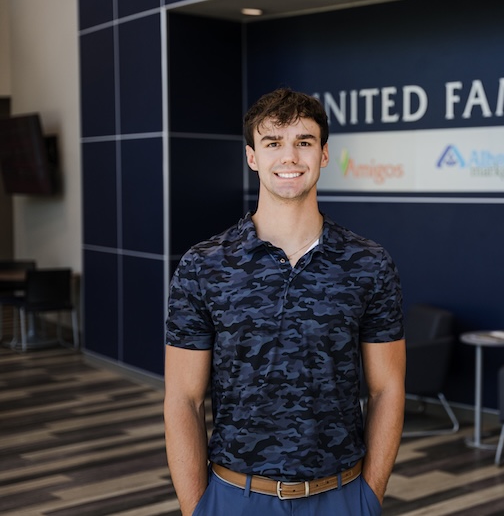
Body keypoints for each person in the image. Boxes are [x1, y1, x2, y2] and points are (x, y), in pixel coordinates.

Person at [163, 87, 406, 516]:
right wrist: (195, 508)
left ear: (324, 154)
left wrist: (369, 497)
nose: (289, 157)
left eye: (304, 142)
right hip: (234, 497)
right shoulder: (204, 266)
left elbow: (386, 388)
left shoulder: (368, 263)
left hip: (341, 496)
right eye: (273, 143)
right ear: (252, 157)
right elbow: (183, 397)